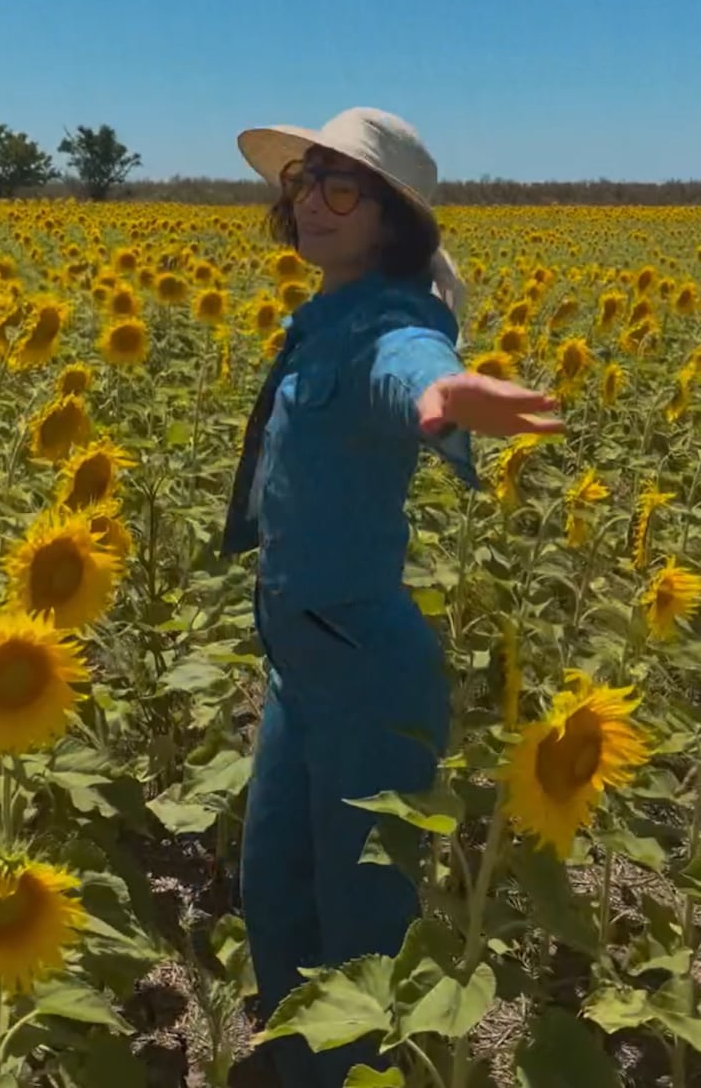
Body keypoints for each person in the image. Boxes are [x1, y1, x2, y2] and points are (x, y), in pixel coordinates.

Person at [221, 107, 564, 1088]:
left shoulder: (390, 325)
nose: (310, 202)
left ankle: (347, 1073)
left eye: (340, 186)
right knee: (276, 884)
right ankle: (292, 1058)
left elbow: (410, 369)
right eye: (303, 182)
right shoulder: (323, 317)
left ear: (391, 219)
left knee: (362, 916)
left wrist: (444, 396)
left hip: (366, 671)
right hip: (299, 656)